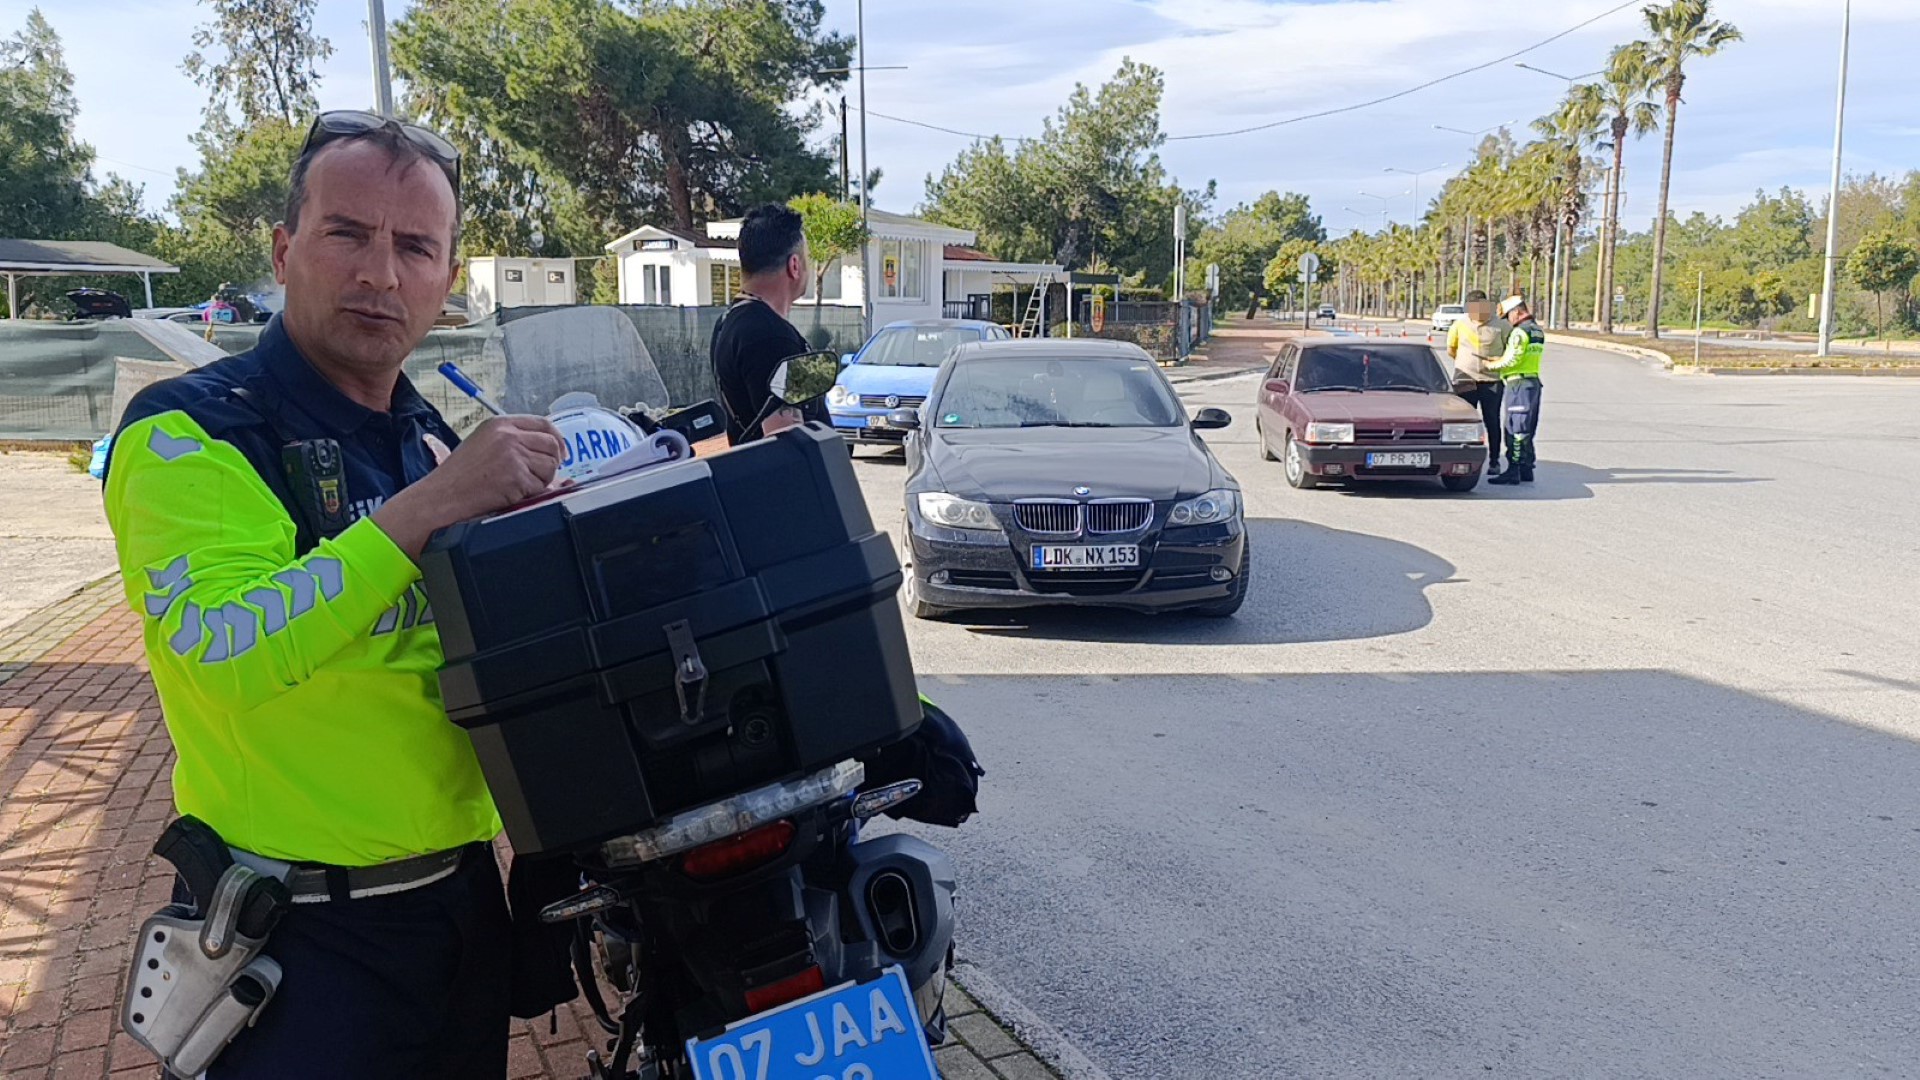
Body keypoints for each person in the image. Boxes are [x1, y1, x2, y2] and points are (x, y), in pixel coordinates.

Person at [102, 110, 568, 1078]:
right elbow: (228, 651)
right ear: (284, 250)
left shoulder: (418, 428)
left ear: (446, 280)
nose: (380, 274)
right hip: (300, 942)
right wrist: (427, 508)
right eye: (347, 234)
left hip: (458, 907)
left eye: (415, 247)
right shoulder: (191, 432)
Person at [710, 203, 827, 443]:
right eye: (807, 260)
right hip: (787, 481)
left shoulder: (728, 323)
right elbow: (788, 444)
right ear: (794, 266)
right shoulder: (771, 336)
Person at [1445, 289, 1509, 476]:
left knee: (1492, 421)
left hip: (1492, 381)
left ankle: (1495, 460)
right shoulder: (1459, 324)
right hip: (1465, 380)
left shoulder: (1501, 325)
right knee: (1463, 423)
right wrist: (1467, 363)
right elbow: (1451, 349)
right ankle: (1462, 461)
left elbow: (1509, 349)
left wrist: (1494, 361)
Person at [1486, 295, 1545, 485]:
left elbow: (1513, 359)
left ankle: (1514, 470)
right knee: (1527, 427)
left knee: (1515, 427)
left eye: (1508, 317)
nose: (1508, 322)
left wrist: (1492, 364)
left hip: (1518, 384)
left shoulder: (1520, 333)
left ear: (1517, 312)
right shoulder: (1537, 330)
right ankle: (1527, 468)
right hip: (1532, 382)